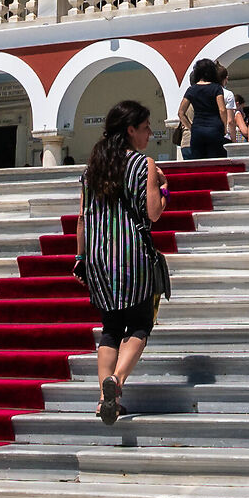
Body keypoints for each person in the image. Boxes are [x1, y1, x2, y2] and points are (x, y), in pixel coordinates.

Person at [76, 99, 168, 423]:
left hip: (99, 256)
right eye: (145, 128)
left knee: (111, 327)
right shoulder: (144, 164)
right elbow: (154, 213)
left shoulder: (92, 168)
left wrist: (81, 259)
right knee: (141, 323)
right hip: (133, 255)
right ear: (130, 130)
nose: (149, 134)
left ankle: (104, 399)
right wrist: (162, 187)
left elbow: (82, 218)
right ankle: (118, 380)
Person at [176, 57, 234, 160]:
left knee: (199, 165)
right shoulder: (216, 88)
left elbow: (181, 112)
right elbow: (222, 109)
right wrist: (224, 127)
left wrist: (191, 127)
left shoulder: (191, 90)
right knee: (216, 162)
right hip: (215, 129)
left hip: (197, 130)